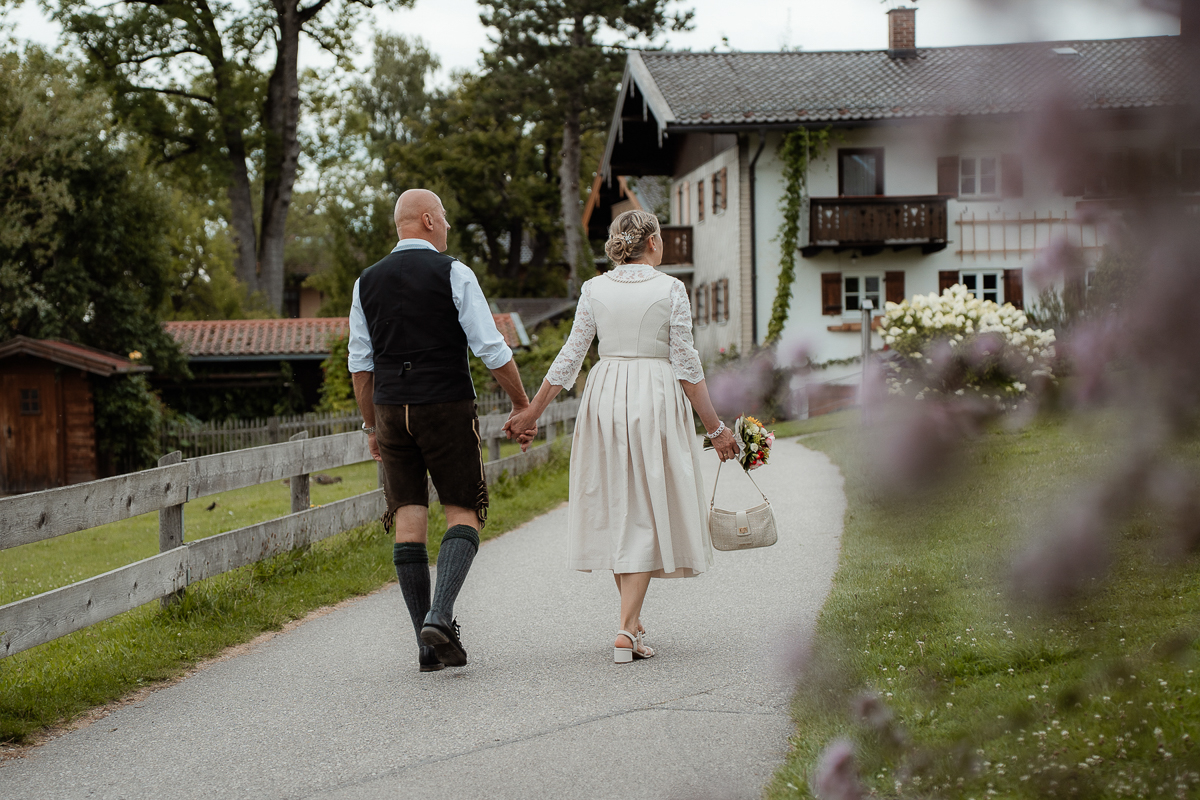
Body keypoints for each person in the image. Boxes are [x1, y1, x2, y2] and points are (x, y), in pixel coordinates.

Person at [507, 210, 739, 664]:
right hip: (654, 394)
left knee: (619, 503)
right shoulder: (671, 288)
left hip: (606, 393)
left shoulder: (593, 289)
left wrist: (532, 411)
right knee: (647, 506)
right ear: (651, 241)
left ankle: (630, 622)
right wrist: (716, 428)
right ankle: (625, 630)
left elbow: (571, 357)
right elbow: (687, 366)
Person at [349, 189, 532, 673]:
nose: (447, 226)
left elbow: (360, 367)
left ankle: (427, 647)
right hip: (445, 404)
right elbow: (490, 347)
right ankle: (439, 615)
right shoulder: (453, 272)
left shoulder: (365, 282)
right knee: (464, 511)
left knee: (409, 519)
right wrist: (520, 403)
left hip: (390, 409)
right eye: (445, 218)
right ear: (428, 220)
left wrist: (371, 425)